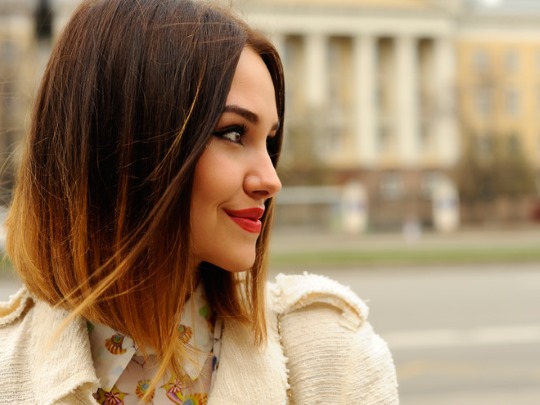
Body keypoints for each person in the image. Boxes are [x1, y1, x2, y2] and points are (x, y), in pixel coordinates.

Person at [0, 0, 398, 404]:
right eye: (233, 133)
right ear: (123, 145)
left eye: (270, 141)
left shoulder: (330, 355)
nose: (271, 181)